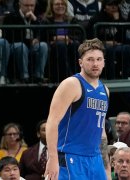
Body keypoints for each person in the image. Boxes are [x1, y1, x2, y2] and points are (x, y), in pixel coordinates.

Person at [44, 38, 110, 180]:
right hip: (70, 156)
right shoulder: (72, 84)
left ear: (104, 62)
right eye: (90, 59)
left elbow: (101, 131)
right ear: (81, 62)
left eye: (99, 59)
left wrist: (106, 166)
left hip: (95, 159)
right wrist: (53, 158)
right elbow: (52, 122)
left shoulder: (105, 90)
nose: (95, 63)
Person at [3, 0, 49, 84]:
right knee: (21, 46)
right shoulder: (11, 17)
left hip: (31, 46)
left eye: (32, 6)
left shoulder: (36, 17)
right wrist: (29, 40)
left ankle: (39, 76)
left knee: (43, 45)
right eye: (26, 6)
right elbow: (10, 37)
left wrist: (35, 21)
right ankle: (24, 77)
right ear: (20, 5)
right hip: (14, 46)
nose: (30, 8)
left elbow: (44, 35)